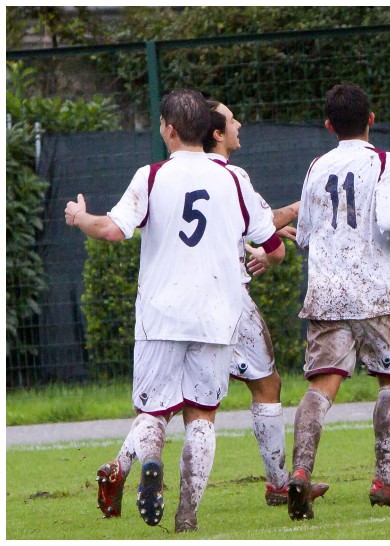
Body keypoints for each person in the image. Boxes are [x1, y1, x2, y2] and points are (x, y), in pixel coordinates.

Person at [66, 89, 283, 533]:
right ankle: (187, 518)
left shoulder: (151, 176)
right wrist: (267, 255)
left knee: (153, 412)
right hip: (215, 316)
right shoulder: (234, 178)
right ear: (208, 130)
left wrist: (79, 217)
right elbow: (272, 243)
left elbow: (112, 231)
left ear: (167, 128)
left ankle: (148, 465)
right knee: (202, 417)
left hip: (161, 316)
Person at [288, 83, 390, 520]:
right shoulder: (385, 162)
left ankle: (300, 472)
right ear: (372, 119)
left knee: (321, 386)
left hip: (326, 291)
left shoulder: (317, 165)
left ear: (328, 125)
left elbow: (304, 235)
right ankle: (384, 479)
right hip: (374, 289)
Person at [202, 99, 329, 507]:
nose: (240, 122)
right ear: (217, 134)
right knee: (266, 384)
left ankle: (123, 463)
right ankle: (278, 484)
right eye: (232, 118)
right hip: (226, 296)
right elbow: (263, 229)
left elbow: (242, 225)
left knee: (169, 400)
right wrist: (296, 212)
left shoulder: (172, 173)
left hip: (182, 298)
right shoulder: (230, 174)